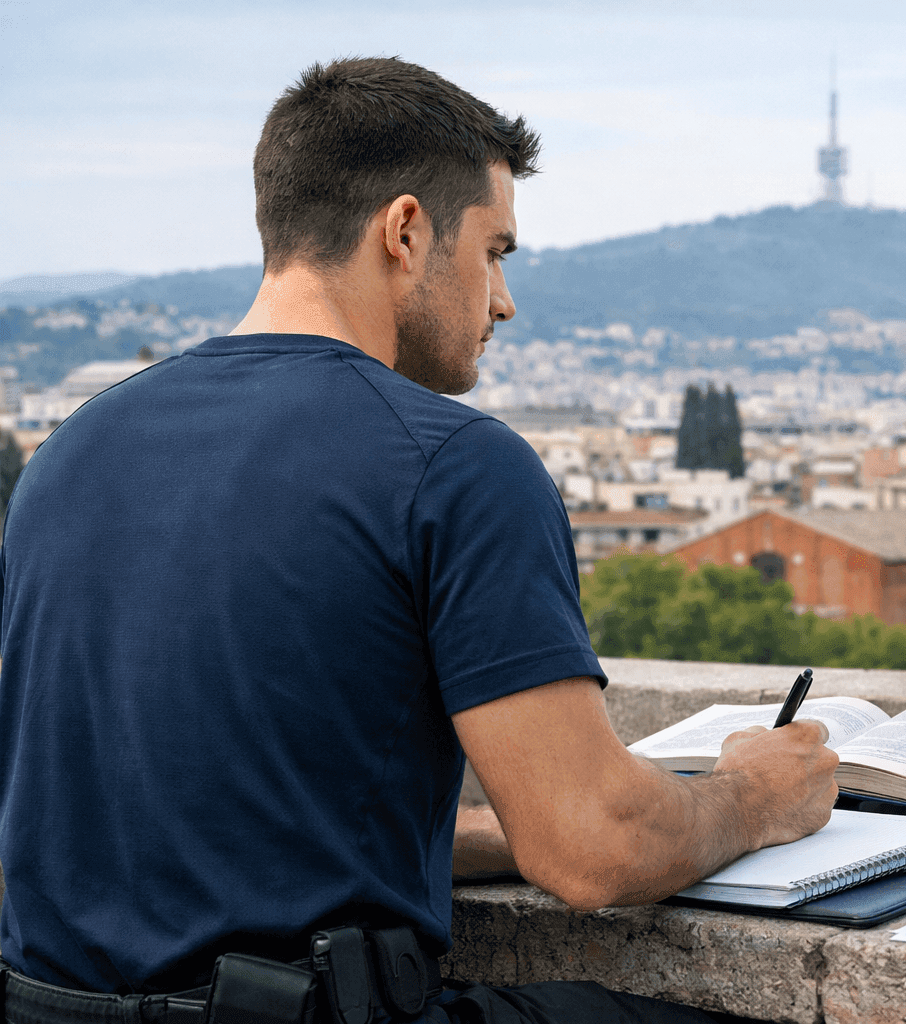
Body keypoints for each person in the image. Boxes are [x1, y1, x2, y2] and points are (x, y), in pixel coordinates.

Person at [0, 57, 838, 1024]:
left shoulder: (71, 450)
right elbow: (595, 848)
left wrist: (489, 832)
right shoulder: (454, 464)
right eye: (496, 251)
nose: (505, 300)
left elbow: (220, 817)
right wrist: (752, 795)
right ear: (404, 232)